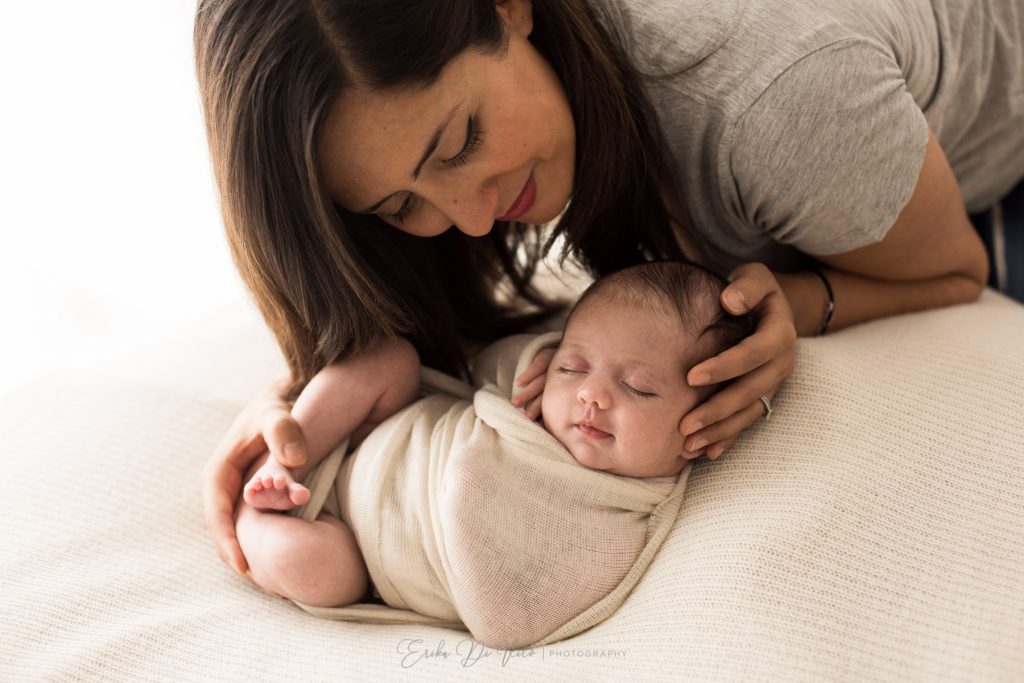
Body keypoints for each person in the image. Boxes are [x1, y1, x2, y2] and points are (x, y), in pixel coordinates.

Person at [194, 0, 1020, 579]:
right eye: (400, 204)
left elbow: (953, 271)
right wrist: (302, 401)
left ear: (508, 7)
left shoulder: (772, 104)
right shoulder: (500, 143)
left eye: (461, 140)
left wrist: (798, 305)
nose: (474, 221)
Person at [235, 261, 754, 607]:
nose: (590, 395)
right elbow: (483, 369)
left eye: (637, 387)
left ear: (703, 425)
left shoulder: (619, 524)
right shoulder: (537, 397)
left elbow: (514, 607)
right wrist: (539, 363)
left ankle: (256, 525)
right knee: (388, 359)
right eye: (574, 366)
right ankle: (286, 461)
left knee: (322, 574)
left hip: (359, 544)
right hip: (382, 430)